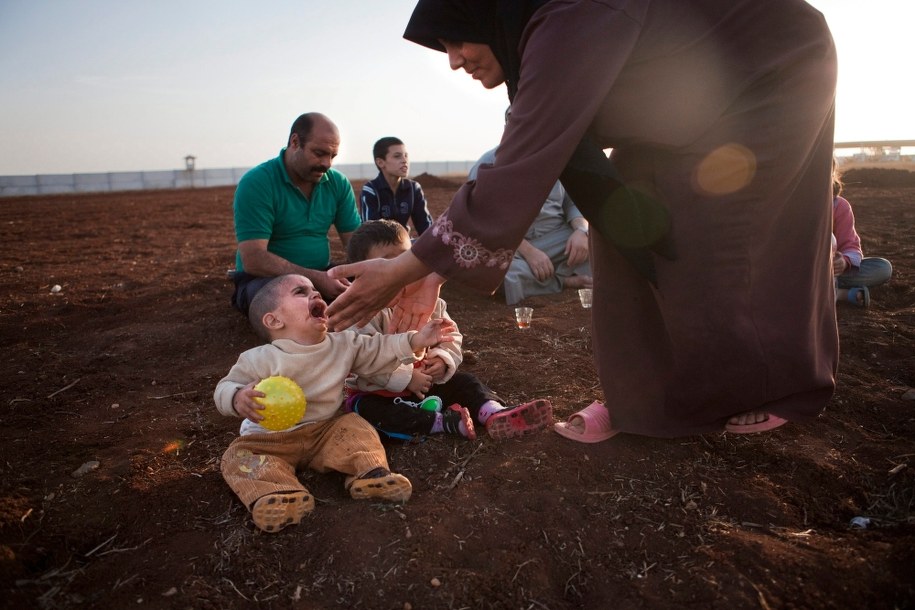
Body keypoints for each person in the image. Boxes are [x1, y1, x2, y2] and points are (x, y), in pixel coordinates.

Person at [326, 0, 839, 441]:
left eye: (457, 41)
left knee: (720, 226)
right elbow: (549, 150)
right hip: (684, 103)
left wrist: (403, 270)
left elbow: (519, 162)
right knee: (624, 223)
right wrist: (424, 266)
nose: (455, 61)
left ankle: (777, 383)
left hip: (770, 73)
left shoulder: (568, 14)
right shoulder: (539, 43)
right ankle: (652, 401)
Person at [214, 273, 455, 532]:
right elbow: (224, 387)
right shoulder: (257, 358)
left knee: (356, 427)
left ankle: (370, 474)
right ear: (274, 320)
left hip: (325, 431)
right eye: (301, 292)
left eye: (315, 291)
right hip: (268, 439)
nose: (315, 295)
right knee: (237, 456)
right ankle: (278, 494)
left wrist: (416, 340)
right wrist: (238, 397)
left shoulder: (343, 343)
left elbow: (379, 348)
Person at [343, 219, 554, 441]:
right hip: (379, 393)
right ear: (362, 274)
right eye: (387, 263)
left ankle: (493, 412)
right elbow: (363, 359)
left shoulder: (429, 300)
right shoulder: (361, 314)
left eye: (405, 260)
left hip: (425, 388)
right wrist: (406, 377)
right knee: (368, 410)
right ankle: (442, 422)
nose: (400, 271)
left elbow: (450, 335)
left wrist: (442, 359)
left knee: (466, 383)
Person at [230, 112, 361, 315]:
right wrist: (317, 279)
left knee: (380, 282)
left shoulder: (337, 183)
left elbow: (356, 245)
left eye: (332, 156)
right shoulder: (257, 182)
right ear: (295, 142)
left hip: (322, 271)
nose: (327, 164)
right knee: (286, 305)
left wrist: (370, 274)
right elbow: (253, 258)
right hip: (265, 280)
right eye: (319, 153)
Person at [469, 139, 591, 304]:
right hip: (510, 244)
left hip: (556, 237)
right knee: (498, 273)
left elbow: (573, 202)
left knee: (599, 247)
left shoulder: (559, 157)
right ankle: (564, 281)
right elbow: (480, 217)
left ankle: (540, 278)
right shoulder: (488, 163)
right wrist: (529, 252)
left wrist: (581, 231)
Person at [831, 167, 893, 308]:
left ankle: (827, 288)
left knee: (882, 268)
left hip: (833, 272)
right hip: (802, 270)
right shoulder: (795, 204)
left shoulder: (839, 206)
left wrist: (844, 262)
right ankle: (841, 293)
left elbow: (850, 246)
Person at [360, 137, 434, 236]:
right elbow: (370, 233)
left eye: (406, 156)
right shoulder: (371, 190)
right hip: (378, 246)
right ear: (380, 162)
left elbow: (426, 227)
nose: (404, 160)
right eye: (397, 156)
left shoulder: (413, 188)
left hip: (404, 243)